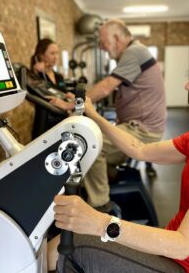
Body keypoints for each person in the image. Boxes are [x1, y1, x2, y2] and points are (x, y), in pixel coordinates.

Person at [47, 39, 189, 272]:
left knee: (68, 246)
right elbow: (139, 149)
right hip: (176, 252)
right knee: (64, 242)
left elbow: (183, 244)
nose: (188, 85)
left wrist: (99, 223)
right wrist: (94, 116)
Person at [49, 19, 167, 212]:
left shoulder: (134, 52)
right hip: (139, 125)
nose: (102, 47)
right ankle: (105, 178)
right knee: (93, 145)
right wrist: (80, 98)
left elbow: (106, 87)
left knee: (89, 144)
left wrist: (70, 104)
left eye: (104, 42)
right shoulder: (134, 51)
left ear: (117, 37)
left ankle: (101, 205)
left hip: (142, 129)